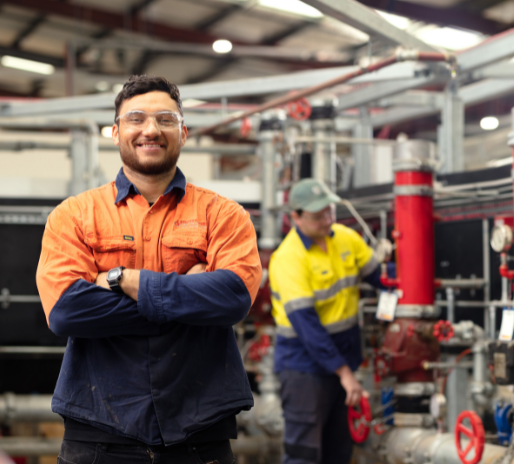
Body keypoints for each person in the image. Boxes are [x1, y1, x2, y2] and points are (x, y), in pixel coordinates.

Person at [36, 75, 262, 464]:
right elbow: (66, 311)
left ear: (184, 132)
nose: (151, 130)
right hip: (99, 431)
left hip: (199, 431)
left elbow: (233, 298)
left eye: (166, 119)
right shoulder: (74, 215)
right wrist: (187, 300)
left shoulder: (223, 215)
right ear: (115, 131)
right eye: (136, 118)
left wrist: (122, 280)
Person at [269, 178, 392, 464]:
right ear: (295, 217)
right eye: (317, 215)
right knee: (305, 454)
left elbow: (382, 278)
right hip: (303, 366)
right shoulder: (288, 259)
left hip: (343, 359)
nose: (327, 220)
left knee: (339, 450)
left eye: (330, 212)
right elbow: (308, 328)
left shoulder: (346, 238)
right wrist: (345, 374)